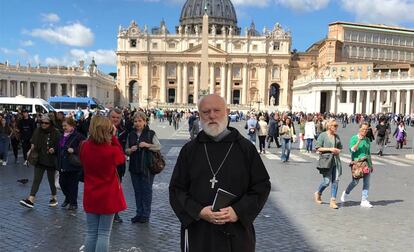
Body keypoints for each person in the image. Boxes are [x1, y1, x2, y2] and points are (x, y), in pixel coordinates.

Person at [169, 94, 271, 252]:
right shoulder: (189, 150)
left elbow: (261, 186)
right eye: (206, 112)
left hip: (236, 232)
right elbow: (176, 190)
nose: (211, 116)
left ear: (227, 111)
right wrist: (199, 211)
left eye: (217, 110)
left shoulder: (245, 149)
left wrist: (238, 211)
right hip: (199, 231)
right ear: (199, 114)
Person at [79, 115, 127, 252]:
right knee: (104, 233)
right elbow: (121, 158)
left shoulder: (84, 147)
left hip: (90, 193)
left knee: (91, 232)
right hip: (108, 195)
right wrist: (113, 138)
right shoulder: (111, 151)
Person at [125, 112, 161, 224]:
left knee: (146, 191)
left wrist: (147, 145)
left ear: (145, 122)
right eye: (135, 121)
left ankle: (145, 214)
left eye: (140, 121)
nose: (137, 123)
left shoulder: (150, 133)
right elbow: (126, 150)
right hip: (134, 167)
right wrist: (130, 150)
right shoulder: (131, 134)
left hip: (147, 167)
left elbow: (158, 146)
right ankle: (138, 213)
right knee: (137, 191)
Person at [19, 114, 61, 208]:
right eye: (42, 122)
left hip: (51, 160)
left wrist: (54, 149)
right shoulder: (38, 130)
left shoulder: (56, 132)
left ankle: (54, 197)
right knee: (36, 180)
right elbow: (33, 143)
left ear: (50, 123)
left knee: (51, 181)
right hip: (39, 159)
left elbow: (60, 145)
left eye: (46, 123)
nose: (43, 125)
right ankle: (31, 199)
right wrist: (29, 153)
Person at [340, 122, 374, 208]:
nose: (365, 131)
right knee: (355, 182)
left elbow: (368, 153)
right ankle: (346, 192)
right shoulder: (354, 138)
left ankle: (364, 200)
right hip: (357, 164)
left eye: (366, 129)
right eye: (363, 129)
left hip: (365, 164)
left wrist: (371, 165)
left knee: (367, 182)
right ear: (359, 129)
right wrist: (359, 140)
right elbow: (352, 150)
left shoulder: (367, 140)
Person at [56, 117, 85, 210]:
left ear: (72, 126)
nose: (64, 127)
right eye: (63, 126)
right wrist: (54, 149)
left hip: (73, 165)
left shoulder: (78, 136)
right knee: (62, 183)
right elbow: (59, 147)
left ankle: (73, 203)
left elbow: (84, 148)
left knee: (73, 185)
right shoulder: (62, 136)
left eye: (66, 126)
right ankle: (68, 198)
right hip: (62, 164)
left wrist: (74, 150)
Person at [314, 119, 343, 209]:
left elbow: (340, 148)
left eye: (336, 125)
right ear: (329, 126)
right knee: (326, 182)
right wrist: (330, 149)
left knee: (335, 181)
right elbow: (318, 148)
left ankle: (333, 201)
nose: (336, 127)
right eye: (334, 125)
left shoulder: (337, 136)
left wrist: (338, 151)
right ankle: (318, 193)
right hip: (326, 161)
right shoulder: (323, 135)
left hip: (336, 161)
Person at [108, 108, 129, 223]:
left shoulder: (123, 130)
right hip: (105, 164)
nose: (115, 119)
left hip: (118, 165)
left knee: (116, 189)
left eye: (118, 118)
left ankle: (115, 213)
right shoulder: (102, 130)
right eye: (113, 117)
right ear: (109, 117)